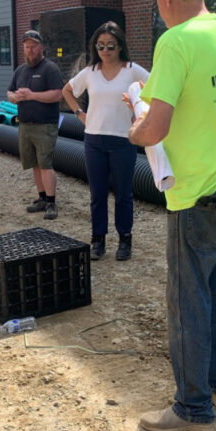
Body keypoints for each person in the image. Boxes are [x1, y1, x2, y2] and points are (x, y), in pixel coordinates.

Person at [128, 0, 216, 431]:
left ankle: (193, 410)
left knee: (189, 303)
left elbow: (155, 127)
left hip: (196, 193)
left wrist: (134, 124)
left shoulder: (176, 42)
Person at [62, 21, 149, 261]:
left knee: (123, 193)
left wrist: (140, 112)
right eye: (100, 46)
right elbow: (67, 91)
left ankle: (125, 240)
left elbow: (155, 89)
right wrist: (79, 114)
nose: (106, 50)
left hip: (123, 140)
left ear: (120, 46)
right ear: (95, 47)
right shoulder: (90, 72)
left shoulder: (132, 70)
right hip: (94, 139)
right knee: (97, 194)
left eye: (111, 46)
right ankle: (98, 240)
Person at [7, 30, 63, 220]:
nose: (29, 50)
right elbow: (9, 93)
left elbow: (57, 94)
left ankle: (51, 202)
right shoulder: (20, 71)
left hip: (45, 125)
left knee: (45, 164)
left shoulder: (50, 69)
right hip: (25, 125)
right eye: (26, 46)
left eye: (33, 46)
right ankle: (41, 198)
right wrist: (16, 97)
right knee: (34, 164)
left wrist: (31, 95)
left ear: (41, 47)